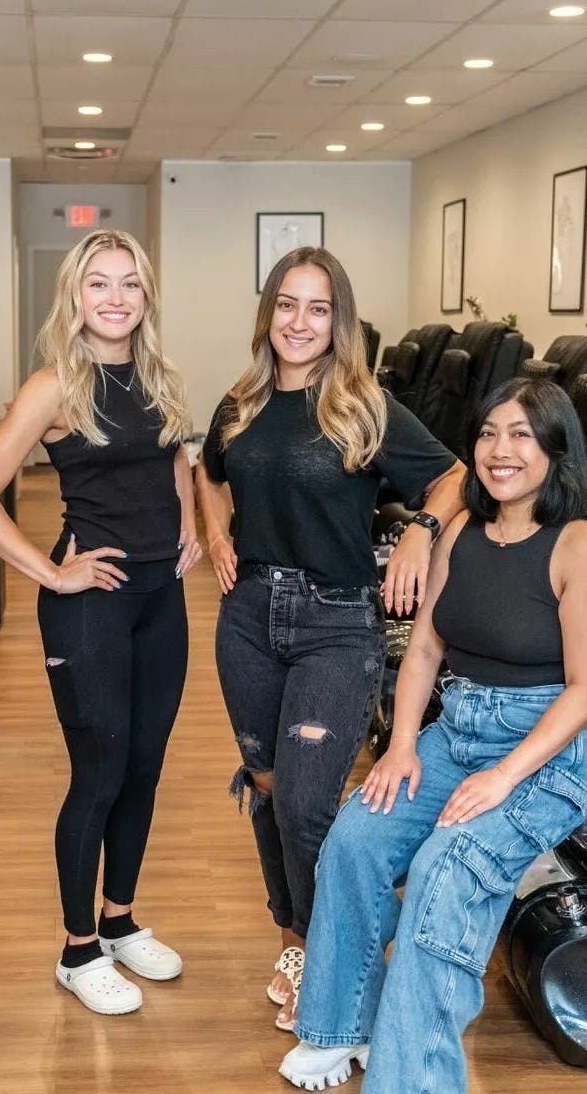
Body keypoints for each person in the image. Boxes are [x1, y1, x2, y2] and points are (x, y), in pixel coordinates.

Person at [279, 377, 587, 1093]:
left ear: (557, 452)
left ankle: (415, 1078)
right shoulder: (463, 528)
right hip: (456, 726)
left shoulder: (579, 545)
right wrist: (401, 742)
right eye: (489, 432)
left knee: (444, 868)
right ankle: (344, 1025)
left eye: (522, 435)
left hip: (547, 749)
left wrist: (502, 777)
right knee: (355, 836)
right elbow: (427, 648)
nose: (500, 451)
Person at [195, 246, 465, 1032]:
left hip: (334, 621)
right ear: (267, 312)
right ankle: (298, 941)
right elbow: (205, 470)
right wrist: (216, 532)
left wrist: (417, 531)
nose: (299, 321)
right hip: (246, 618)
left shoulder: (362, 405)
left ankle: (338, 950)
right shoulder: (239, 402)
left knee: (309, 805)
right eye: (286, 304)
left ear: (337, 321)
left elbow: (451, 477)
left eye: (317, 308)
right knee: (270, 789)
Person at [0, 229, 197, 1017]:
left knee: (145, 766)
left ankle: (119, 920)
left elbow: (173, 457)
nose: (116, 297)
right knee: (99, 770)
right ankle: (76, 946)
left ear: (145, 296)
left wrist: (192, 523)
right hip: (91, 603)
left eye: (130, 283)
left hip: (162, 597)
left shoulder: (157, 377)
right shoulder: (53, 386)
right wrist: (53, 570)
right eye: (99, 283)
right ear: (75, 295)